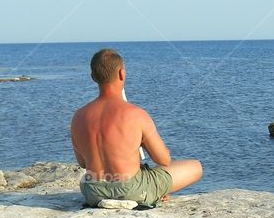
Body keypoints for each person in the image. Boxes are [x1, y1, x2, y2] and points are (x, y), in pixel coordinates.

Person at [70, 48, 202, 207]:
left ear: (93, 77)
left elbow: (83, 163)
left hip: (93, 190)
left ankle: (152, 190)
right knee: (196, 167)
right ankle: (153, 192)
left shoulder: (78, 116)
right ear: (121, 74)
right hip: (130, 190)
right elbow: (163, 159)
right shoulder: (136, 114)